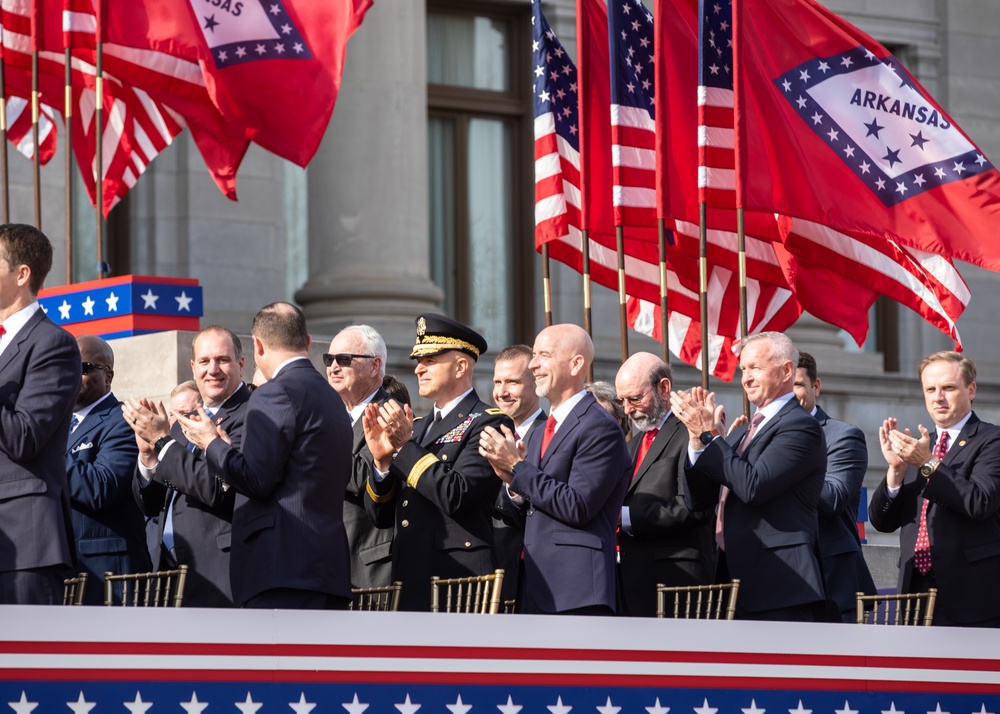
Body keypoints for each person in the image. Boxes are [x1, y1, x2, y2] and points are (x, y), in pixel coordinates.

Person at [179, 302, 352, 609]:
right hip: (327, 569)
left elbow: (256, 479)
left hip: (280, 570)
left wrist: (211, 444)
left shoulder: (273, 393)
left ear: (256, 346)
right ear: (308, 342)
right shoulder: (332, 397)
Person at [671, 331, 828, 622]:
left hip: (779, 581)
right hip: (727, 578)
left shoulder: (801, 427)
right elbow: (698, 500)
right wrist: (697, 441)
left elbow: (753, 486)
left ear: (786, 371)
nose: (746, 378)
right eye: (743, 369)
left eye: (756, 367)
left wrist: (710, 435)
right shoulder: (743, 432)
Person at [362, 314, 512, 611]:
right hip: (410, 578)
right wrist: (381, 464)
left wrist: (405, 447)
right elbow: (381, 517)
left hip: (459, 584)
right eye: (420, 360)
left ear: (460, 367)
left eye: (430, 360)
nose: (418, 369)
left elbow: (456, 495)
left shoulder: (487, 423)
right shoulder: (416, 427)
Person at [483, 324, 631, 615]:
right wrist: (512, 483)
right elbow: (529, 513)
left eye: (544, 355)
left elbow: (577, 505)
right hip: (536, 585)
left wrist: (518, 467)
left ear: (576, 364)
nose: (533, 364)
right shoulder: (540, 433)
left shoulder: (600, 427)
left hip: (577, 590)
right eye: (534, 355)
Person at [870, 351, 1000, 627]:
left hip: (970, 597)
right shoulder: (918, 446)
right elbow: (882, 522)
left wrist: (926, 463)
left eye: (948, 388)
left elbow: (979, 502)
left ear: (971, 390)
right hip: (913, 593)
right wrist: (896, 470)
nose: (938, 397)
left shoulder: (991, 440)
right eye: (930, 389)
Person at [125, 326, 250, 607]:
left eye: (223, 360)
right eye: (204, 361)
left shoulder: (251, 415)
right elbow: (152, 505)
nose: (213, 370)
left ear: (241, 364)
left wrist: (161, 441)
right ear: (193, 367)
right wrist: (148, 457)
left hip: (219, 575)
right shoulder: (184, 424)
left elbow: (218, 490)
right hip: (171, 576)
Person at [0, 224, 81, 604]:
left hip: (23, 538)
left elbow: (24, 438)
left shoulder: (54, 344)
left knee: (22, 664)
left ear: (21, 274)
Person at [614, 353, 714, 617]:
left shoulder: (690, 433)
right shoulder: (633, 445)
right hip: (631, 582)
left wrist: (624, 517)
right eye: (621, 400)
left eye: (635, 398)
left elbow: (694, 505)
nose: (627, 409)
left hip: (677, 585)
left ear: (664, 388)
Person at [67, 335, 150, 604]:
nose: (72, 374)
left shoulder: (123, 420)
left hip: (108, 577)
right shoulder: (57, 424)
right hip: (65, 570)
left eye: (84, 367)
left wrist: (47, 457)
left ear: (108, 376)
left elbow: (102, 487)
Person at [794, 352, 876, 622]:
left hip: (833, 584)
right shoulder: (755, 436)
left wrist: (786, 459)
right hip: (779, 581)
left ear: (815, 387)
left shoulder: (843, 435)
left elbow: (832, 500)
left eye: (797, 385)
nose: (789, 395)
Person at [325, 324, 394, 590]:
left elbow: (366, 476)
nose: (333, 367)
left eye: (343, 359)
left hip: (367, 566)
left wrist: (314, 442)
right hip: (326, 562)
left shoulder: (390, 413)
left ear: (374, 366)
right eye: (328, 360)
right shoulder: (331, 416)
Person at [491, 344, 546, 609]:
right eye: (497, 382)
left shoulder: (551, 435)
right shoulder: (489, 434)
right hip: (490, 577)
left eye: (512, 382)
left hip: (530, 577)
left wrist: (514, 481)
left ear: (536, 383)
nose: (502, 392)